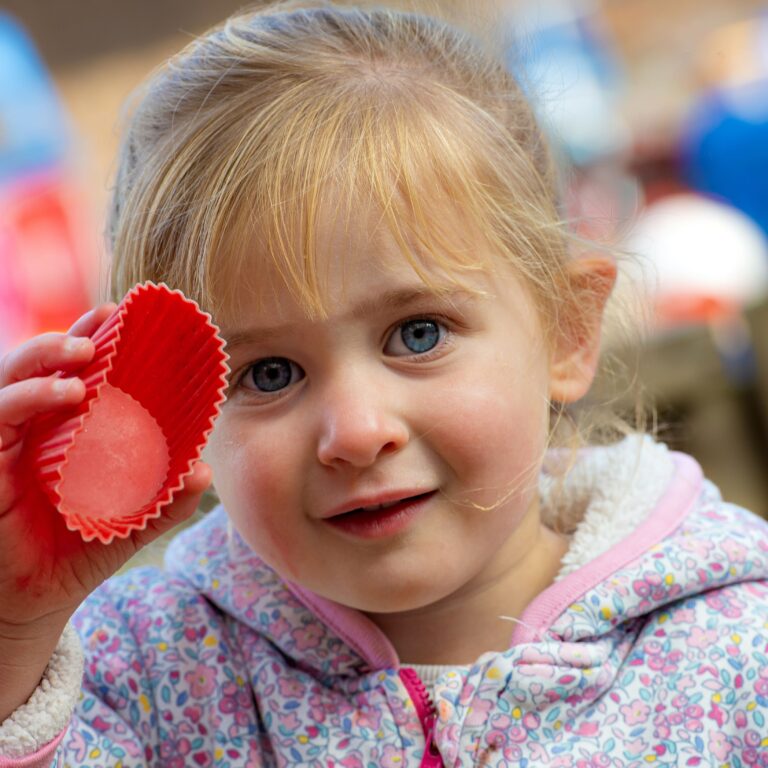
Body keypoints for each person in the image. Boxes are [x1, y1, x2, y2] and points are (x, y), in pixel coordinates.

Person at [1, 3, 768, 766]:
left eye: (418, 334)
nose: (358, 431)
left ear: (567, 329)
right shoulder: (137, 676)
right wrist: (14, 631)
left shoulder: (734, 652)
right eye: (269, 373)